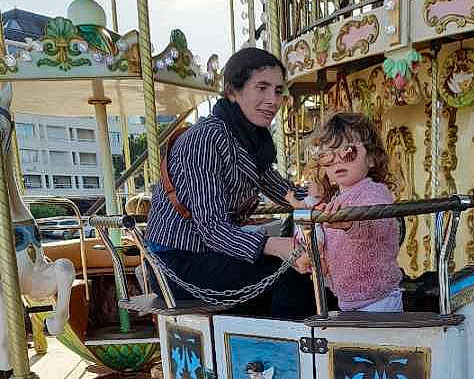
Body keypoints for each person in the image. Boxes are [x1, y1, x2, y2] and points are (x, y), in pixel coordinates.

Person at [145, 47, 315, 319]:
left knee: (304, 273)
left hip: (210, 254)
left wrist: (330, 190)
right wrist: (277, 245)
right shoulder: (205, 139)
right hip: (176, 261)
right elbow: (213, 229)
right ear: (232, 92)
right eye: (262, 88)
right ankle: (286, 344)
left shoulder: (249, 141)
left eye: (278, 91)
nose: (273, 100)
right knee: (289, 277)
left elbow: (287, 193)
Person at [306, 112, 403, 312]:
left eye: (347, 152)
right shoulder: (336, 200)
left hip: (379, 300)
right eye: (327, 156)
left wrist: (351, 223)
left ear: (372, 158)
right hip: (348, 300)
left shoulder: (374, 192)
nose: (338, 161)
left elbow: (378, 224)